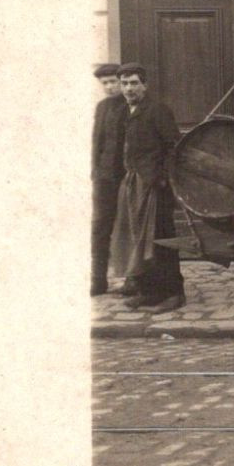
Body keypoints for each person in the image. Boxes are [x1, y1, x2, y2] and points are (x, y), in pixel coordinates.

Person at [109, 63, 185, 313]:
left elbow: (175, 147)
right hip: (133, 183)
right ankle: (148, 292)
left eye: (134, 83)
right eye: (125, 83)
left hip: (154, 186)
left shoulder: (157, 110)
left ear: (145, 85)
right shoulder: (126, 112)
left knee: (160, 240)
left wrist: (161, 179)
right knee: (136, 240)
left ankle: (173, 294)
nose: (129, 88)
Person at [91, 63, 128, 296]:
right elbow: (97, 141)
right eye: (105, 83)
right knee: (100, 226)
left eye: (113, 82)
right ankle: (98, 279)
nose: (110, 87)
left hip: (126, 176)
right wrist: (95, 171)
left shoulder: (131, 106)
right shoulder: (102, 107)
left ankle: (132, 278)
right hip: (105, 177)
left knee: (128, 227)